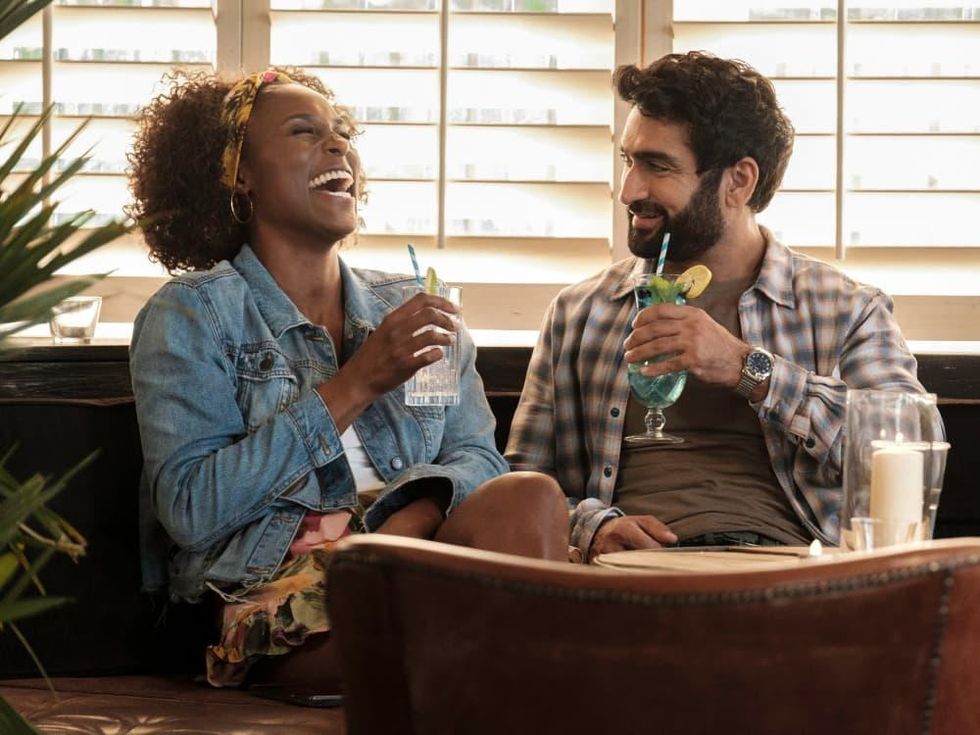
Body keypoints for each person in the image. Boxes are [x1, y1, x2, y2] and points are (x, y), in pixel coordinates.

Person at [127, 67, 568, 690]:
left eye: (341, 134)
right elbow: (194, 510)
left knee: (532, 497)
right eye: (305, 132)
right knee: (482, 643)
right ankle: (516, 663)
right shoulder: (192, 313)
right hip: (282, 590)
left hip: (423, 563)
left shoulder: (413, 305)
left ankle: (492, 658)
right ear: (239, 172)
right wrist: (357, 383)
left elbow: (477, 459)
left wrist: (406, 526)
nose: (338, 147)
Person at [505, 51, 937, 563]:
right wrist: (592, 528)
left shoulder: (845, 307)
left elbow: (916, 451)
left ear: (738, 181)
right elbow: (522, 485)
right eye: (629, 161)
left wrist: (746, 368)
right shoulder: (580, 313)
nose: (629, 190)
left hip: (789, 577)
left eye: (657, 166)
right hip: (624, 583)